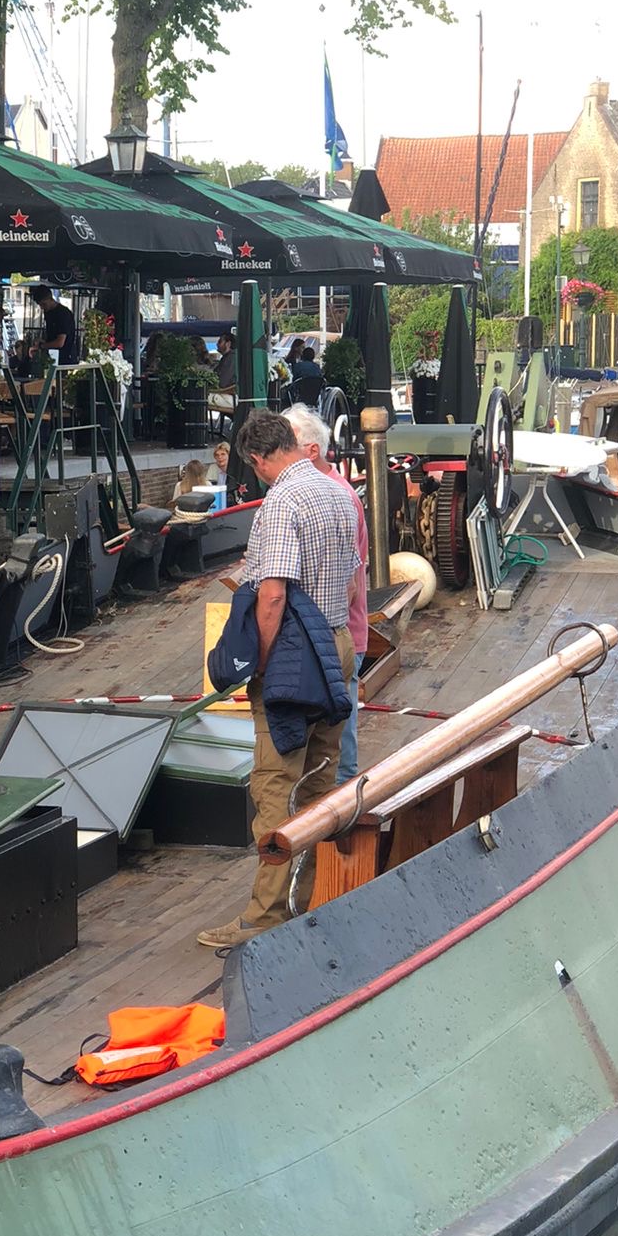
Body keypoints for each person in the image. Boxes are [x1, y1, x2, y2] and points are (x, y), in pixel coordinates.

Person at [197, 406, 359, 950]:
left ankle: (265, 917)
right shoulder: (337, 490)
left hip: (294, 656)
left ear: (259, 458)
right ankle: (308, 899)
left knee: (275, 787)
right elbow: (353, 579)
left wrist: (260, 662)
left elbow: (273, 594)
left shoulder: (283, 500)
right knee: (319, 783)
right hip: (337, 643)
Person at [285, 404, 368, 783]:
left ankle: (345, 809)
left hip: (336, 634)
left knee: (339, 746)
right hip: (331, 633)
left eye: (285, 445)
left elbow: (347, 585)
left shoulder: (336, 496)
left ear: (311, 450)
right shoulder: (330, 491)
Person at [30, 286, 79, 366]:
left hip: (65, 359)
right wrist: (44, 342)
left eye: (44, 304)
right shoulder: (48, 312)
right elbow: (54, 337)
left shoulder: (63, 314)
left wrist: (41, 346)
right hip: (53, 356)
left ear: (50, 299)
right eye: (40, 305)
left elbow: (60, 343)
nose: (42, 307)